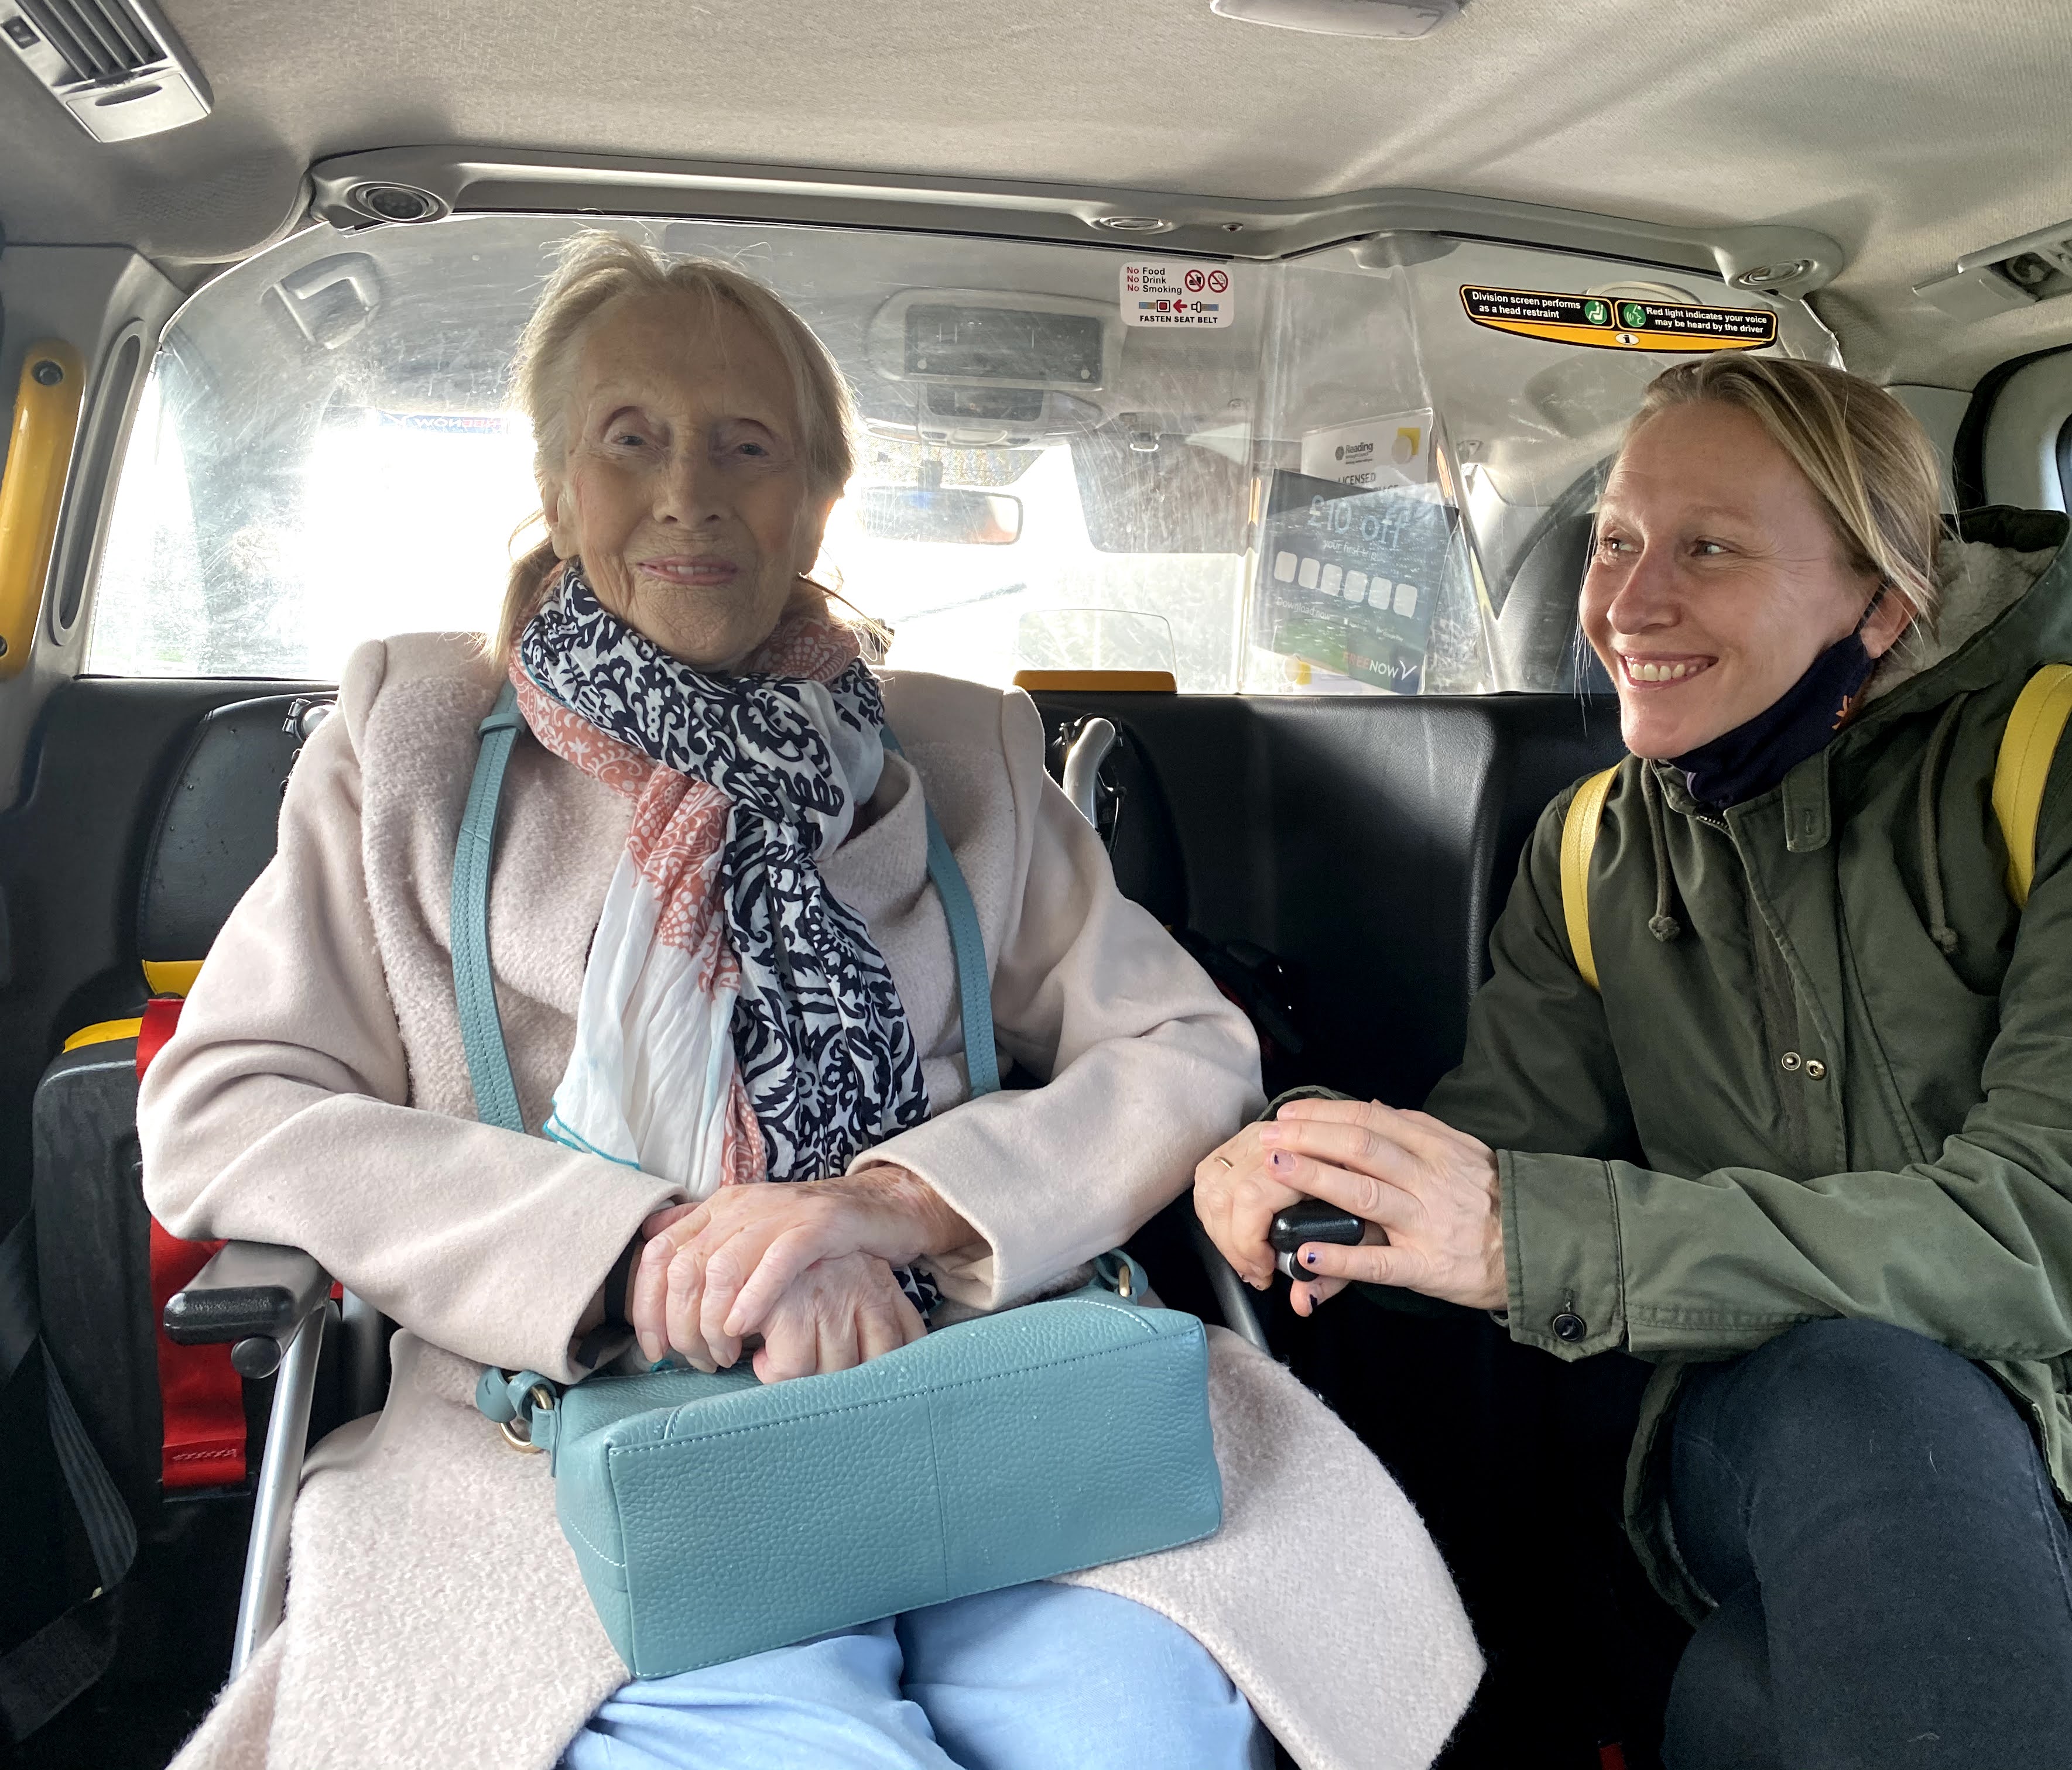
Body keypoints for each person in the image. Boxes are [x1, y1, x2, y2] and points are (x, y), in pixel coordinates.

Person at [141, 232, 1479, 1770]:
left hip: (973, 1391)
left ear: (820, 496)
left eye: (747, 445)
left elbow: (1184, 1046)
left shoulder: (967, 756)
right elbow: (228, 1103)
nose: (687, 491)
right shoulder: (413, 742)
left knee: (1146, 1730)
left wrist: (897, 1209)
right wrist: (639, 1251)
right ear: (562, 485)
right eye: (629, 439)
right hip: (575, 1429)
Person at [1196, 354, 2072, 1769]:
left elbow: (2062, 1220)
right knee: (1855, 1381)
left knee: (1746, 1713)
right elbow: (1502, 1171)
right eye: (1615, 541)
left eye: (1711, 549)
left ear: (1884, 596)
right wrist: (1322, 1164)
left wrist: (1523, 1233)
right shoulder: (1589, 849)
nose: (1629, 604)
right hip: (1803, 1434)